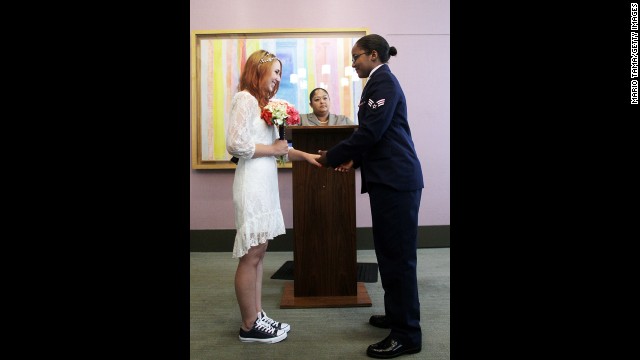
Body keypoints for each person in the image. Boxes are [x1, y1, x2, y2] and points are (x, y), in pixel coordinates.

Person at [317, 34, 424, 359]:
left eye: (356, 56)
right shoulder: (378, 84)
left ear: (373, 55)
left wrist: (331, 156)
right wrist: (356, 158)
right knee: (389, 254)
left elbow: (371, 132)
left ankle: (407, 334)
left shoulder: (384, 84)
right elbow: (380, 136)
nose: (352, 63)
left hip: (397, 182)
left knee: (399, 259)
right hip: (388, 181)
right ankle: (396, 316)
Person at [226, 49, 322, 344]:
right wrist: (276, 150)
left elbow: (278, 147)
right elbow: (235, 144)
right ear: (258, 70)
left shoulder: (263, 105)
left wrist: (306, 155)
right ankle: (248, 325)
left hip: (265, 183)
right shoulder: (244, 99)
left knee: (259, 254)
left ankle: (257, 314)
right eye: (275, 72)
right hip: (251, 185)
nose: (278, 79)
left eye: (281, 73)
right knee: (250, 256)